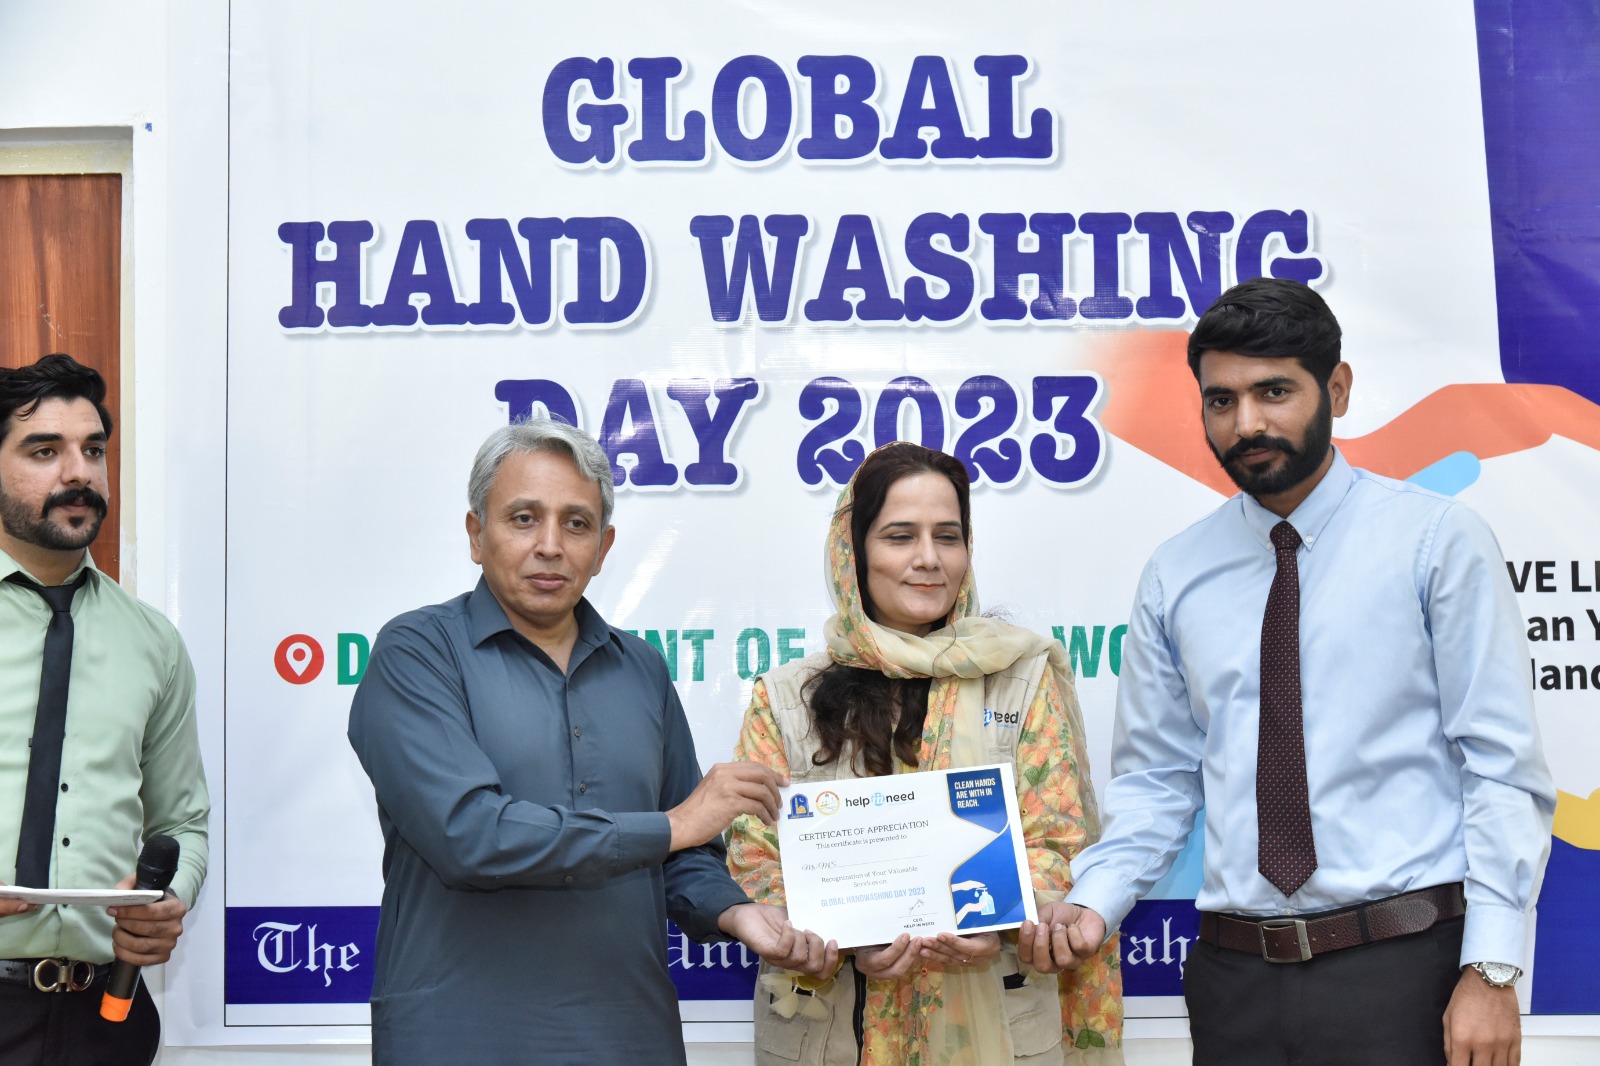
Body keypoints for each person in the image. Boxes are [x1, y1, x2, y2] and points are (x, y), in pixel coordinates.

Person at [1034, 279, 1557, 1066]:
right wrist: (1094, 902)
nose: (1247, 423)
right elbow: (1158, 782)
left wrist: (1491, 969)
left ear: (1336, 389)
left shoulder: (1436, 543)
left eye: (1274, 391)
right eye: (1222, 400)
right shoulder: (1177, 574)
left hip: (1406, 971)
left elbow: (1500, 769)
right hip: (1234, 983)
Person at [347, 417, 837, 1066]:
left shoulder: (641, 669)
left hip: (630, 1035)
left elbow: (684, 852)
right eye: (524, 518)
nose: (550, 545)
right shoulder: (418, 652)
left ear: (604, 548)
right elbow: (468, 835)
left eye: (576, 524)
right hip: (459, 1035)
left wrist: (737, 914)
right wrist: (675, 825)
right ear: (476, 534)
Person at [728, 442, 1123, 1065]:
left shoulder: (1019, 678)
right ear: (854, 552)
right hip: (834, 1033)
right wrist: (846, 936)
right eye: (899, 536)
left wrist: (996, 924)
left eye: (947, 536)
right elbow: (754, 854)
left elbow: (1060, 840)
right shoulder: (785, 698)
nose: (929, 559)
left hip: (997, 1017)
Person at [0, 354, 209, 1066]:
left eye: (93, 450)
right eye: (43, 451)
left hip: (106, 1016)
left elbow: (182, 824)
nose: (78, 473)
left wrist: (168, 899)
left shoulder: (152, 641)